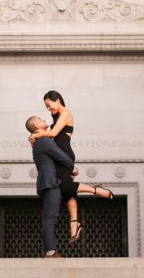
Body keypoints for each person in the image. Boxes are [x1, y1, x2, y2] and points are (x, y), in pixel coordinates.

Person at [28, 90, 114, 244]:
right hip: (61, 156)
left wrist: (35, 135)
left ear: (58, 100)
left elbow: (53, 132)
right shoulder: (56, 117)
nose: (48, 109)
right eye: (46, 107)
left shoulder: (66, 113)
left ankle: (97, 190)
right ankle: (74, 224)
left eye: (49, 105)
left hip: (65, 155)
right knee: (67, 191)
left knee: (65, 187)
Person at [25, 115, 76, 258]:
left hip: (48, 182)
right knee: (51, 217)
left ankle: (50, 250)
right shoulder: (44, 140)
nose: (43, 120)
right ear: (37, 126)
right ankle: (50, 252)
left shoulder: (38, 141)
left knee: (50, 216)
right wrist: (72, 167)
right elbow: (62, 156)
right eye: (41, 119)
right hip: (50, 182)